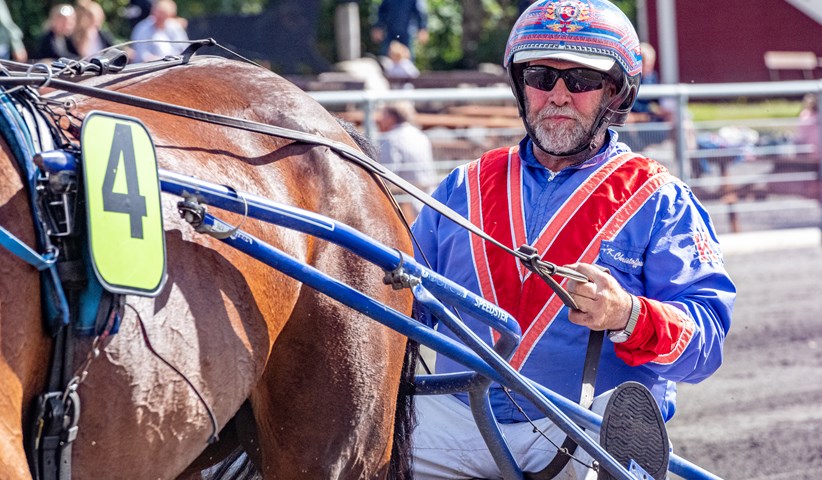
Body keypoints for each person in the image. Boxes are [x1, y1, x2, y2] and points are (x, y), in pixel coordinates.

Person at [410, 1, 735, 479]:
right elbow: (398, 299)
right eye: (541, 76)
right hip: (457, 420)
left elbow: (706, 344)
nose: (557, 95)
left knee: (614, 429)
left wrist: (627, 314)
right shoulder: (463, 187)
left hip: (583, 429)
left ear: (616, 92)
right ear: (522, 87)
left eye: (580, 80)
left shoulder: (660, 198)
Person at [376, 101, 436, 217]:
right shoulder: (420, 135)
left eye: (383, 115)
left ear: (391, 118)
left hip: (405, 195)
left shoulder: (389, 138)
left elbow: (388, 175)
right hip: (427, 190)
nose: (380, 120)